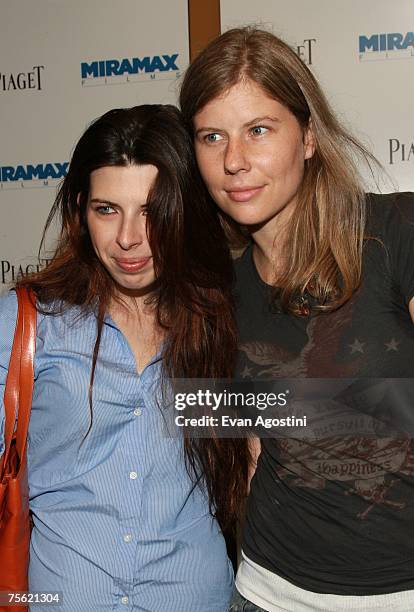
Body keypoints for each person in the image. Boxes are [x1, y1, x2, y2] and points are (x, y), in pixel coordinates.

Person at [180, 27, 414, 612]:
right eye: (213, 136)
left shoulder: (394, 232)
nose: (235, 160)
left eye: (259, 130)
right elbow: (254, 449)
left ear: (308, 137)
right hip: (266, 592)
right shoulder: (218, 292)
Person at [0, 104, 250, 611]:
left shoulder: (225, 320)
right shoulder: (30, 322)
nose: (129, 238)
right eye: (106, 209)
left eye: (152, 210)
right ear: (80, 211)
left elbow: (281, 455)